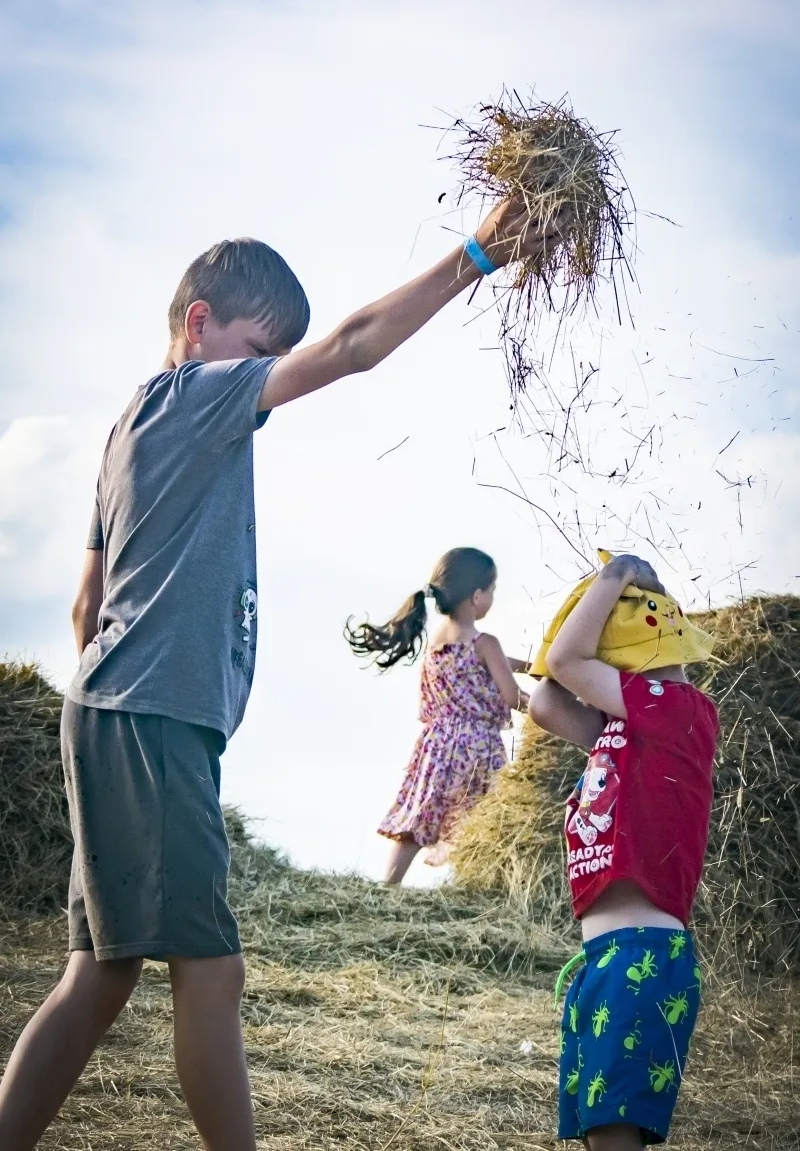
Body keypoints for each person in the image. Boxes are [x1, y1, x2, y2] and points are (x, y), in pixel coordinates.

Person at [0, 201, 565, 1151]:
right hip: (152, 717)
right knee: (211, 971)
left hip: (111, 711)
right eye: (256, 349)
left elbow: (83, 604)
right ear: (199, 324)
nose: (263, 375)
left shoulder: (127, 425)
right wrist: (478, 254)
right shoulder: (197, 393)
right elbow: (351, 347)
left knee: (99, 974)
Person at [527, 551, 718, 1150]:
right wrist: (590, 606)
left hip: (643, 959)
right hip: (606, 962)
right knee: (598, 1134)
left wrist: (617, 575)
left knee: (613, 1138)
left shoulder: (680, 712)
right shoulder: (632, 732)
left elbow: (565, 661)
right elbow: (547, 701)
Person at [346, 547, 529, 884]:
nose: (492, 597)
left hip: (437, 746)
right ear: (477, 596)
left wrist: (532, 667)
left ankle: (389, 883)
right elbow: (513, 696)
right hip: (476, 749)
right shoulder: (487, 643)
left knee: (421, 816)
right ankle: (473, 885)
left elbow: (484, 664)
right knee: (483, 820)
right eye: (492, 590)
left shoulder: (437, 643)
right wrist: (551, 712)